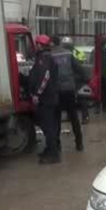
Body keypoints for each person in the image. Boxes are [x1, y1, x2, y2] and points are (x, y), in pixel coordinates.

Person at [50, 35, 88, 153]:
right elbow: (79, 69)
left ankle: (57, 145)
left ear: (51, 44)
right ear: (60, 43)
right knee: (74, 117)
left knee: (56, 119)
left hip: (56, 91)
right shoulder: (68, 54)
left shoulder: (49, 56)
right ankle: (79, 143)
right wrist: (85, 80)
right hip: (69, 90)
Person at [29, 35, 60, 164]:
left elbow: (44, 78)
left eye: (37, 44)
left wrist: (37, 94)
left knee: (48, 127)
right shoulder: (44, 58)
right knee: (48, 126)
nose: (36, 46)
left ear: (40, 45)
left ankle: (53, 155)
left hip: (46, 98)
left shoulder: (44, 59)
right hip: (48, 97)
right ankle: (49, 149)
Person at [61, 37, 90, 124]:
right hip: (71, 78)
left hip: (75, 78)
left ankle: (85, 117)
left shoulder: (76, 53)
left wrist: (85, 77)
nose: (65, 46)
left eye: (66, 45)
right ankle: (72, 116)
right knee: (70, 98)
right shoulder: (74, 53)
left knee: (81, 98)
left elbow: (81, 66)